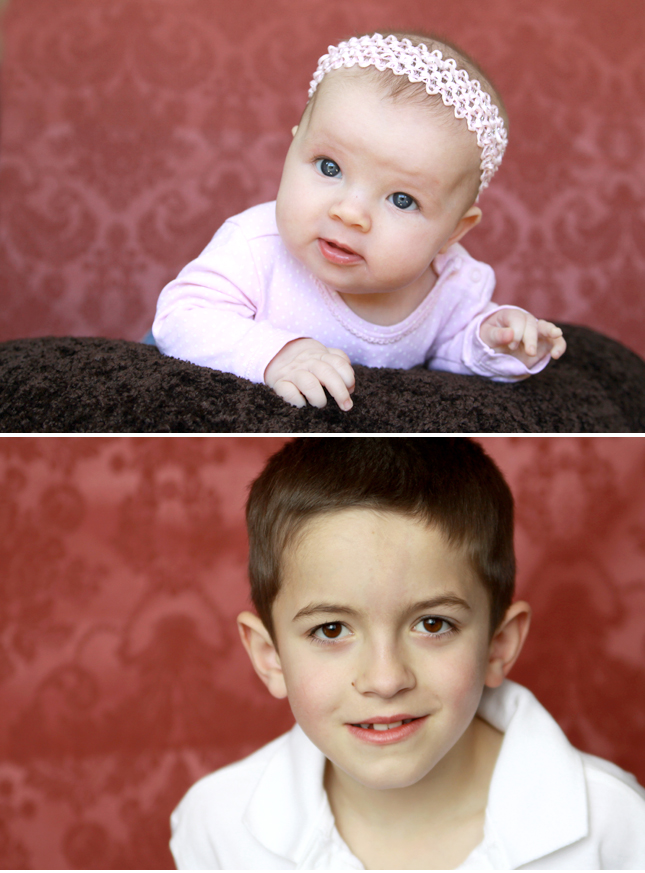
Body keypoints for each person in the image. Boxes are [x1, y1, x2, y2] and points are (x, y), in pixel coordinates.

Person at [170, 437, 645, 870]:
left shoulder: (619, 827)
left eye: (432, 624)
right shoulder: (215, 825)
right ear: (269, 656)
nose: (385, 678)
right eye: (331, 629)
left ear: (498, 644)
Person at [152, 32, 566, 412]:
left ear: (453, 232)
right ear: (292, 147)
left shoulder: (452, 284)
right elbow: (181, 318)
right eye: (329, 167)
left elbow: (451, 350)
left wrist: (496, 343)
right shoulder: (255, 247)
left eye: (402, 200)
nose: (349, 213)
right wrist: (278, 354)